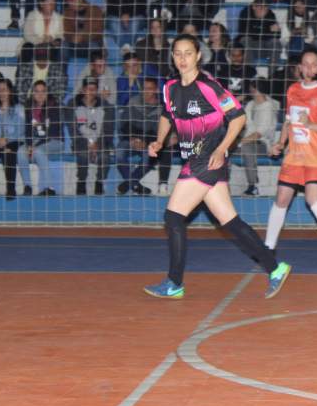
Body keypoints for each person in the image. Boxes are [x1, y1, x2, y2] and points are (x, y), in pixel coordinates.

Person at [142, 34, 291, 299]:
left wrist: (222, 149)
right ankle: (275, 267)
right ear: (172, 56)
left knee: (173, 217)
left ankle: (174, 283)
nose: (183, 58)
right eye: (178, 53)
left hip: (206, 160)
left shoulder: (209, 87)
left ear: (198, 56)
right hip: (195, 159)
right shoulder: (170, 88)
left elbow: (238, 116)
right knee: (230, 222)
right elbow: (167, 115)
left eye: (188, 53)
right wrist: (159, 141)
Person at [265, 46, 317, 266]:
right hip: (295, 156)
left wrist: (310, 124)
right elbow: (287, 121)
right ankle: (268, 247)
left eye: (314, 64)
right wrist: (279, 143)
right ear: (299, 67)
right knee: (281, 199)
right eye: (306, 63)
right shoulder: (292, 90)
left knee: (313, 199)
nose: (309, 67)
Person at [117, 76, 170, 196]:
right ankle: (135, 184)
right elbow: (124, 125)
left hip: (149, 143)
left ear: (156, 90)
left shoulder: (162, 109)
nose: (146, 91)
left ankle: (128, 184)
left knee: (151, 154)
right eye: (144, 88)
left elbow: (159, 132)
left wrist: (145, 141)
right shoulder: (133, 102)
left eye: (150, 88)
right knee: (119, 151)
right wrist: (134, 138)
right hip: (130, 139)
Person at [70, 77, 114, 195]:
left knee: (104, 157)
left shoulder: (106, 107)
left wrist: (97, 144)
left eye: (93, 89)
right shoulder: (73, 105)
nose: (91, 92)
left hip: (100, 143)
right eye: (88, 89)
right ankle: (81, 183)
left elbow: (109, 131)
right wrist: (88, 143)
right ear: (83, 90)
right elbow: (73, 131)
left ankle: (99, 183)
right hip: (81, 143)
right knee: (83, 155)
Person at [0, 78, 26, 199]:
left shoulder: (19, 108)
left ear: (10, 91)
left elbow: (21, 129)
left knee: (9, 153)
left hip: (13, 140)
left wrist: (6, 140)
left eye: (4, 89)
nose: (1, 92)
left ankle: (11, 189)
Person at [236, 79, 279, 196]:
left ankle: (253, 185)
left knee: (247, 147)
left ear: (254, 89)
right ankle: (222, 184)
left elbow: (258, 134)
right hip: (245, 141)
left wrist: (238, 142)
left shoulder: (268, 107)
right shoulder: (250, 104)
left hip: (262, 145)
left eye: (251, 88)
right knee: (223, 150)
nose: (249, 91)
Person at [23, 80, 63, 196]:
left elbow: (51, 133)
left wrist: (34, 146)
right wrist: (29, 145)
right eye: (37, 91)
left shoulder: (54, 106)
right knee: (21, 151)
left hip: (55, 141)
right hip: (37, 141)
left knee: (39, 151)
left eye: (43, 91)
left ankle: (49, 187)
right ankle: (27, 186)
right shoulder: (29, 108)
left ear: (47, 93)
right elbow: (27, 130)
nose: (40, 94)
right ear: (33, 93)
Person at [62, 0, 104, 64]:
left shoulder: (95, 10)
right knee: (64, 45)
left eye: (73, 0)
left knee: (93, 44)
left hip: (90, 44)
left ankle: (95, 73)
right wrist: (72, 38)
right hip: (75, 45)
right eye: (69, 1)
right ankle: (61, 73)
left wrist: (82, 36)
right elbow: (66, 32)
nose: (71, 3)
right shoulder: (67, 12)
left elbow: (98, 32)